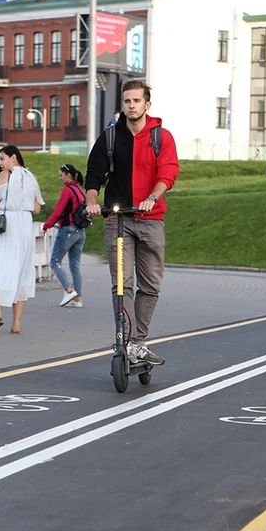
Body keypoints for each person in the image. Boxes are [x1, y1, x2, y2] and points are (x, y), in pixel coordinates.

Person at [84, 80, 179, 366]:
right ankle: (126, 341)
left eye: (137, 101)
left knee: (150, 285)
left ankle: (138, 341)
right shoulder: (110, 137)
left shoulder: (162, 137)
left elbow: (168, 172)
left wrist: (153, 196)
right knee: (122, 285)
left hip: (151, 219)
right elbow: (94, 174)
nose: (131, 106)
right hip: (119, 221)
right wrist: (91, 200)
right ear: (122, 104)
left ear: (147, 104)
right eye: (127, 101)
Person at [0, 145, 44, 334]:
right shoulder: (31, 177)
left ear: (13, 158)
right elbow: (37, 209)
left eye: (2, 159)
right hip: (25, 225)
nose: (0, 164)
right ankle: (16, 323)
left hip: (8, 226)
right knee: (21, 271)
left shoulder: (5, 175)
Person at [42, 163, 86, 308]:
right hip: (80, 231)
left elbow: (58, 211)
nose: (59, 178)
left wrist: (46, 226)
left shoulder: (68, 190)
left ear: (68, 175)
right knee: (75, 265)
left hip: (68, 231)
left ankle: (69, 291)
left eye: (61, 175)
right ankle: (77, 299)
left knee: (54, 261)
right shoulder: (80, 189)